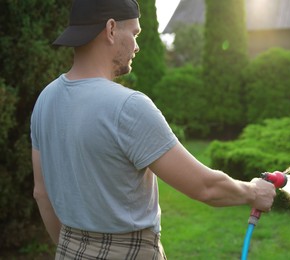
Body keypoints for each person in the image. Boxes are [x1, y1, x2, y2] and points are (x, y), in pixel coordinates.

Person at [30, 0, 276, 259]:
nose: (137, 46)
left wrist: (74, 248)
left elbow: (41, 193)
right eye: (134, 33)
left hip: (69, 251)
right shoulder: (127, 106)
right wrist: (253, 191)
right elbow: (205, 187)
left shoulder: (46, 99)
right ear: (111, 29)